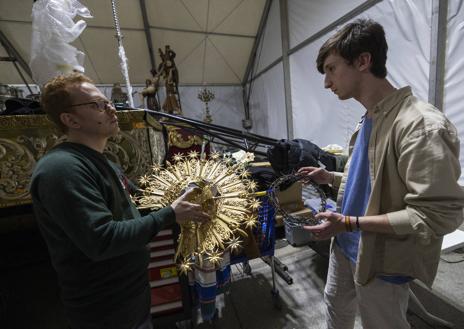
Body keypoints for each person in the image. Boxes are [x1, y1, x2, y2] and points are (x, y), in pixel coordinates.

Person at [298, 19, 464, 329]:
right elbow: (373, 178)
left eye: (332, 69)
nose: (326, 83)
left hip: (382, 259)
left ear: (362, 61)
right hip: (345, 245)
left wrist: (348, 222)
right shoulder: (370, 117)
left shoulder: (420, 125)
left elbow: (438, 214)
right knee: (336, 307)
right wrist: (330, 179)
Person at [30, 73, 210, 329]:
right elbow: (102, 240)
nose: (111, 108)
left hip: (132, 297)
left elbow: (141, 203)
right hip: (105, 310)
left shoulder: (105, 162)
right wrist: (170, 214)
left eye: (107, 102)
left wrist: (187, 194)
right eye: (97, 105)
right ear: (70, 119)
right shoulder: (61, 169)